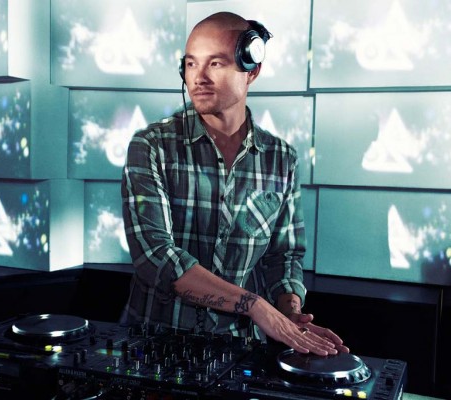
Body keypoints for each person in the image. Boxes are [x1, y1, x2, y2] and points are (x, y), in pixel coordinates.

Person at [121, 11, 349, 356]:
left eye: (215, 63)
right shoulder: (151, 146)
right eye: (191, 64)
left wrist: (290, 315)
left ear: (251, 70)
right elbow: (156, 256)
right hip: (155, 344)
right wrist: (253, 305)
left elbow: (284, 256)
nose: (199, 77)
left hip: (241, 349)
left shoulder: (281, 159)